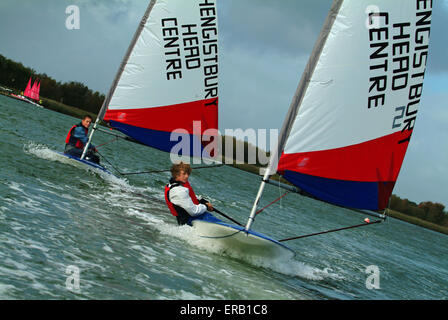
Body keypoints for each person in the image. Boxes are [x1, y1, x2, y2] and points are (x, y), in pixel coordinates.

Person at [164, 162, 214, 226]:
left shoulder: (174, 186)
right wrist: (206, 206)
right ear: (176, 174)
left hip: (194, 218)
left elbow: (190, 196)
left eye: (188, 173)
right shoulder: (178, 191)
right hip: (191, 221)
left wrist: (203, 201)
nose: (187, 176)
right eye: (184, 174)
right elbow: (194, 211)